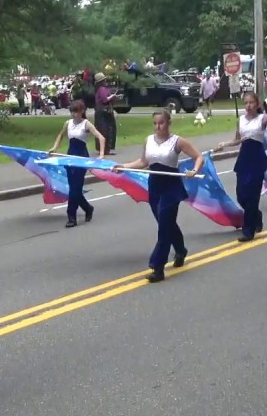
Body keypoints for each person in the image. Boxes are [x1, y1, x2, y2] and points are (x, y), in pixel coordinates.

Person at [114, 109, 205, 283]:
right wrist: (123, 165)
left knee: (164, 226)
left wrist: (194, 170)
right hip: (155, 186)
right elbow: (143, 162)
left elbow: (199, 157)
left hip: (171, 187)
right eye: (155, 123)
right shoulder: (148, 140)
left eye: (161, 123)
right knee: (166, 223)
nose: (158, 126)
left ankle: (158, 267)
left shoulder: (177, 142)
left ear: (169, 123)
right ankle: (180, 249)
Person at [211, 91, 267, 239]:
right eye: (246, 103)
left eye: (251, 102)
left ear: (257, 105)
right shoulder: (241, 120)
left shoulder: (263, 119)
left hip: (257, 159)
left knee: (252, 196)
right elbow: (237, 140)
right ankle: (257, 215)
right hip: (244, 159)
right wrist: (223, 144)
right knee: (241, 195)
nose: (248, 106)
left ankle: (248, 231)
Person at [47, 99, 107, 227]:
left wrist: (101, 155)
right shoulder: (68, 123)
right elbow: (61, 135)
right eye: (72, 112)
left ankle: (71, 217)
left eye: (77, 112)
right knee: (74, 189)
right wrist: (55, 147)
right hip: (70, 157)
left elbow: (101, 138)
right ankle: (88, 208)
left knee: (75, 188)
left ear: (82, 111)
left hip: (81, 157)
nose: (74, 115)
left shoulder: (86, 124)